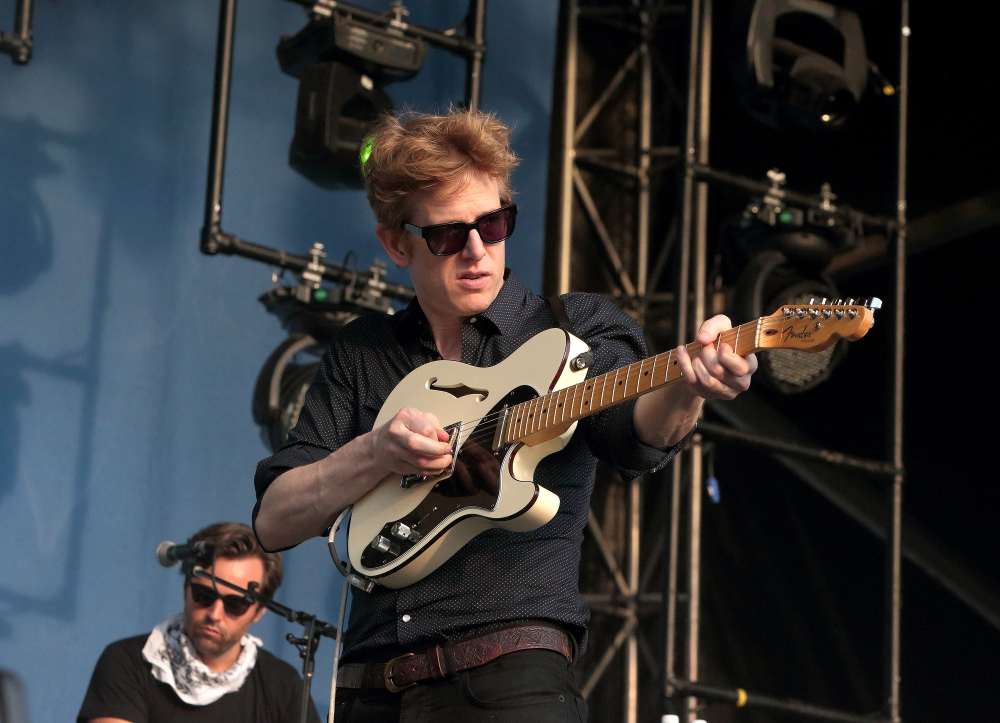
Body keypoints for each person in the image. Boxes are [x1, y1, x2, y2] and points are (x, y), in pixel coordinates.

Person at [252, 109, 756, 722]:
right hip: (370, 687)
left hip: (511, 679)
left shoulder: (573, 329)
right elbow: (274, 521)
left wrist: (690, 387)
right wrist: (375, 451)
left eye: (493, 224)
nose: (475, 250)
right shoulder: (363, 352)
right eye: (445, 234)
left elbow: (637, 437)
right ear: (394, 241)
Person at [78, 522, 320, 723]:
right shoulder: (129, 662)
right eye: (204, 596)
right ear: (186, 589)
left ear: (259, 612)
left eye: (235, 604)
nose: (215, 613)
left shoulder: (283, 686)